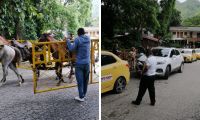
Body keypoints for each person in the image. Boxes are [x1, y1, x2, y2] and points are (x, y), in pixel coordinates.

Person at [65, 28, 90, 102]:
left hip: (79, 64)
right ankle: (84, 95)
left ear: (78, 33)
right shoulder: (88, 38)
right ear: (84, 33)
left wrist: (68, 41)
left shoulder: (77, 39)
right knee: (86, 80)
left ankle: (81, 97)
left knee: (80, 81)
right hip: (87, 63)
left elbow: (71, 49)